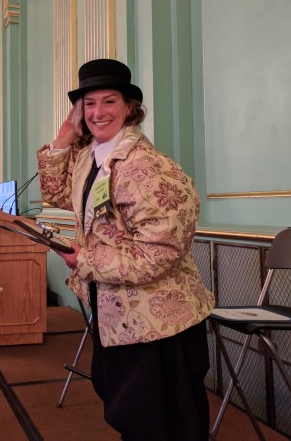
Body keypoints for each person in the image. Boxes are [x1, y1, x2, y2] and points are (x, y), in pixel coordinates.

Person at [36, 58, 215, 441]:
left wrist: (83, 259)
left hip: (158, 321)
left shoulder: (148, 166)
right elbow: (57, 194)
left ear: (130, 108)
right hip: (118, 311)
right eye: (89, 104)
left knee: (164, 421)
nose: (98, 112)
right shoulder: (92, 156)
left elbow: (160, 252)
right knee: (129, 411)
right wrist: (65, 137)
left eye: (109, 102)